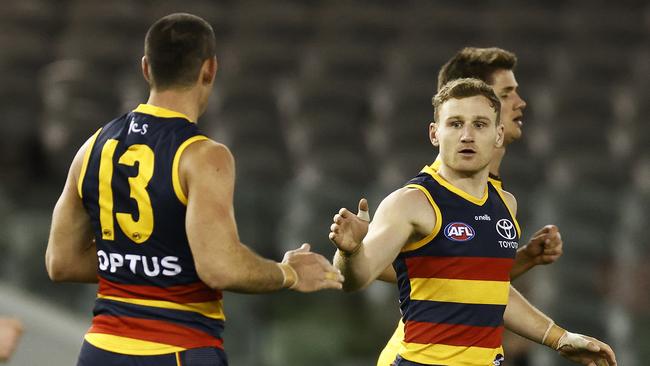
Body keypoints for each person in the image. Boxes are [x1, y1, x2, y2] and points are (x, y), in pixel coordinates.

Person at [45, 13, 343, 366]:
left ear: (146, 68)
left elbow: (59, 262)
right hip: (177, 350)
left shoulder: (92, 148)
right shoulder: (203, 156)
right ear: (209, 69)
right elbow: (218, 268)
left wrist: (136, 263)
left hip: (100, 351)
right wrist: (289, 273)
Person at [330, 78, 616, 365]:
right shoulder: (411, 202)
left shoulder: (505, 203)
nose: (467, 135)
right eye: (455, 124)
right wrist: (349, 251)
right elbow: (357, 278)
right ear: (434, 134)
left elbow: (491, 290)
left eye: (479, 124)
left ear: (498, 134)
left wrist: (559, 338)